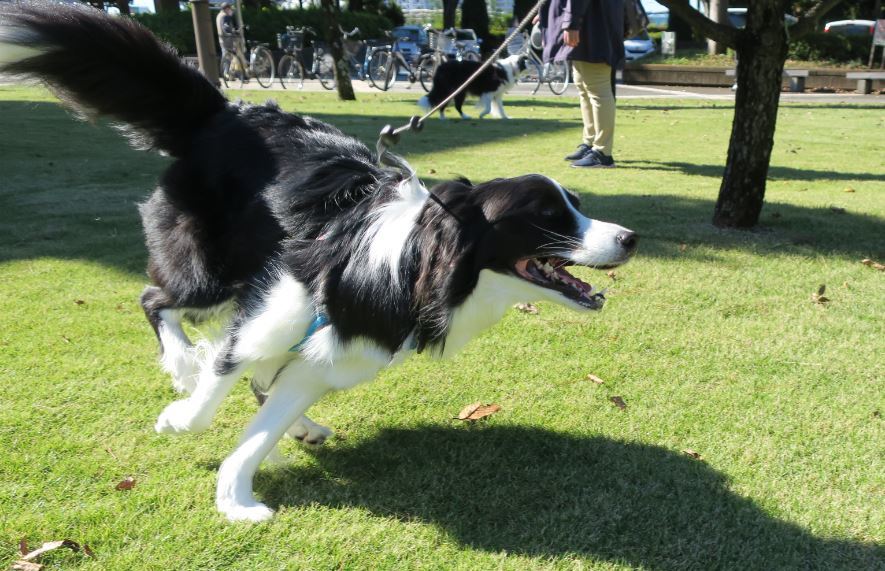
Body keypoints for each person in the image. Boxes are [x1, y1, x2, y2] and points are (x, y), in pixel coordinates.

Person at [540, 0, 624, 168]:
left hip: (591, 24)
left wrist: (570, 23)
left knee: (597, 89)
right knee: (583, 86)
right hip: (587, 21)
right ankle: (591, 142)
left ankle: (602, 152)